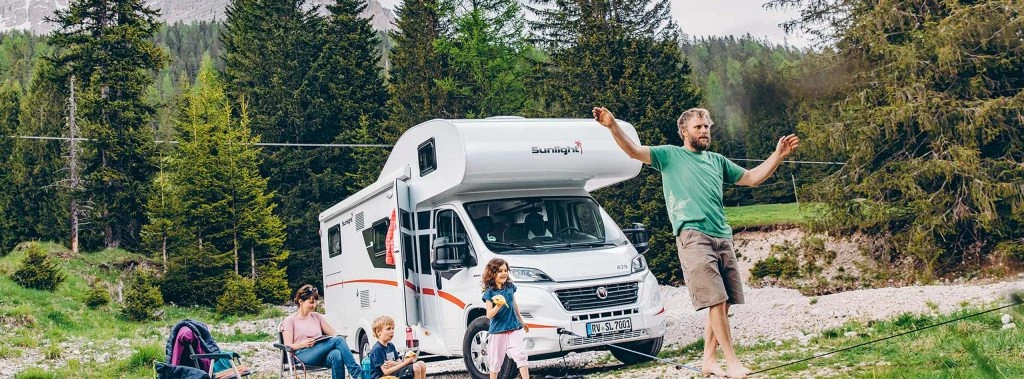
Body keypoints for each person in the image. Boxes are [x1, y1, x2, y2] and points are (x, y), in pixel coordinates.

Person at [593, 106, 799, 378]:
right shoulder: (669, 155)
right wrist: (612, 126)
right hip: (693, 236)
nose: (704, 131)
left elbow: (752, 178)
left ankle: (709, 361)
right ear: (684, 131)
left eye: (707, 127)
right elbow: (633, 151)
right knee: (715, 301)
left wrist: (778, 155)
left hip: (722, 235)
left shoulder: (717, 161)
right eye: (698, 127)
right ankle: (732, 362)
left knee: (723, 302)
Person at [280, 284, 362, 379]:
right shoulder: (290, 320)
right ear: (301, 301)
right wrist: (302, 344)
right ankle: (358, 374)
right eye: (311, 302)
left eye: (315, 302)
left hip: (319, 354)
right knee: (338, 340)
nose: (314, 305)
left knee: (337, 354)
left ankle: (357, 374)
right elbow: (287, 346)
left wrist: (341, 338)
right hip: (301, 355)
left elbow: (334, 334)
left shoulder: (317, 317)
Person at [482, 258, 530, 379]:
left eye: (505, 270)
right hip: (497, 331)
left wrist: (521, 321)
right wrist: (498, 306)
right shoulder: (489, 292)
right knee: (495, 362)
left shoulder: (510, 287)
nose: (504, 273)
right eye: (500, 271)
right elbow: (489, 315)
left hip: (513, 328)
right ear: (492, 273)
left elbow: (514, 305)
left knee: (521, 355)